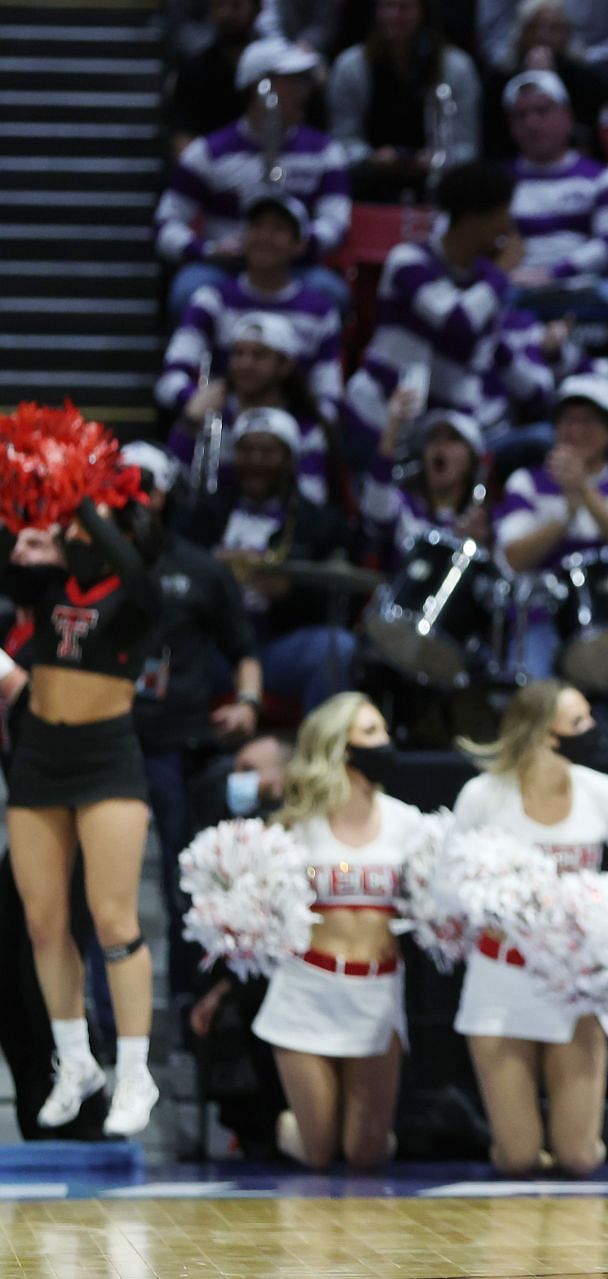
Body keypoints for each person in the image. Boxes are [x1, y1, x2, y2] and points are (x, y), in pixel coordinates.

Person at [451, 680, 608, 1176]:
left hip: (575, 983)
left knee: (579, 1157)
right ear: (545, 734)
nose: (593, 730)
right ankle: (511, 1149)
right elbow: (446, 889)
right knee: (520, 1158)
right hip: (502, 978)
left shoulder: (603, 793)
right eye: (579, 722)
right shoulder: (483, 795)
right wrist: (515, 897)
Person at [3, 491, 165, 1136]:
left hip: (107, 755)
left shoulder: (138, 595)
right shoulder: (44, 585)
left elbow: (138, 577)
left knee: (112, 916)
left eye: (81, 526)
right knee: (44, 923)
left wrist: (88, 501)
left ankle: (134, 1071)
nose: (71, 533)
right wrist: (28, 519)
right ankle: (76, 1063)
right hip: (40, 754)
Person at [118, 445, 264, 1011]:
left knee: (182, 881)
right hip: (106, 741)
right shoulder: (89, 561)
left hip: (177, 743)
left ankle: (184, 999)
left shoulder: (201, 569)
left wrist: (248, 701)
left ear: (166, 492)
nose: (133, 495)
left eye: (143, 484)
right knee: (105, 889)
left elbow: (243, 648)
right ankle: (99, 1016)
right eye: (122, 483)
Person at [250, 693, 422, 1169]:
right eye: (370, 733)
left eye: (383, 731)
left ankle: (337, 1129)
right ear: (339, 747)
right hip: (308, 988)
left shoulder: (409, 823)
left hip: (377, 991)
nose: (384, 742)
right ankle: (294, 1126)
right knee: (320, 1152)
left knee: (366, 1154)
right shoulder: (296, 825)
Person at [339, 162, 558, 471]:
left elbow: (495, 350)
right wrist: (500, 273)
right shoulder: (410, 262)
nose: (509, 227)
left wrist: (545, 387)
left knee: (542, 441)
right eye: (503, 214)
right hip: (382, 419)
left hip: (451, 432)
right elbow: (458, 322)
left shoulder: (485, 282)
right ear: (473, 221)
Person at [178, 408, 358, 716]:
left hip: (278, 647)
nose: (256, 462)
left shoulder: (320, 522)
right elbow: (175, 571)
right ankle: (181, 749)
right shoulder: (207, 513)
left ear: (289, 459)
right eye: (247, 451)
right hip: (219, 649)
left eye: (267, 452)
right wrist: (215, 575)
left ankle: (321, 752)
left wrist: (289, 592)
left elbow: (340, 599)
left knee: (337, 647)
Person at [157, 36, 351, 316]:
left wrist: (297, 244)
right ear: (260, 88)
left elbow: (337, 222)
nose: (305, 89)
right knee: (188, 292)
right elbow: (166, 223)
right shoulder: (209, 152)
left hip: (295, 268)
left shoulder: (325, 152)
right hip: (225, 268)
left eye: (305, 79)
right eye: (294, 80)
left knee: (332, 294)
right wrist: (208, 250)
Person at [495, 372, 608, 680]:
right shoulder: (526, 482)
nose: (576, 430)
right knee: (530, 673)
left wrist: (583, 489)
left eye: (590, 421)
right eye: (569, 420)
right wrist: (566, 515)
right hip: (541, 616)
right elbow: (514, 557)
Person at [158, 192, 344, 433]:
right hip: (223, 430)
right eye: (256, 227)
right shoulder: (211, 300)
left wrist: (286, 433)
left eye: (277, 229)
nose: (264, 237)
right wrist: (194, 401)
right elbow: (169, 379)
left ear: (300, 245)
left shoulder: (321, 311)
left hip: (291, 444)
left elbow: (330, 398)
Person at [502, 70, 608, 321]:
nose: (532, 123)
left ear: (567, 116)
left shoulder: (604, 179)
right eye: (521, 115)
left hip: (583, 282)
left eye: (542, 111)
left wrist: (554, 273)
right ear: (510, 127)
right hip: (514, 283)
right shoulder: (496, 184)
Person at [165, 311, 333, 508]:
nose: (245, 364)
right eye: (238, 353)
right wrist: (189, 422)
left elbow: (312, 507)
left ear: (285, 364)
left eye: (259, 355)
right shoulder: (211, 418)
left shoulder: (307, 430)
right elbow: (171, 487)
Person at [328, 0, 483, 202]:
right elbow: (342, 141)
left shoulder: (457, 68)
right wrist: (369, 158)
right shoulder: (350, 67)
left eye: (404, 8)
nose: (393, 16)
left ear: (423, 14)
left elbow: (467, 147)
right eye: (387, 7)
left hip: (438, 184)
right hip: (369, 183)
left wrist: (437, 160)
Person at [361, 405, 494, 565]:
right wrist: (393, 427)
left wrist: (476, 546)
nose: (439, 446)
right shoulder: (403, 508)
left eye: (452, 439)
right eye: (433, 438)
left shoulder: (482, 524)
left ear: (472, 459)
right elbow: (375, 501)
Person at [479, 0, 608, 160]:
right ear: (519, 33)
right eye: (533, 27)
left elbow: (587, 138)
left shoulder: (586, 80)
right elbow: (494, 142)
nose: (542, 35)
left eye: (553, 28)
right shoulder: (499, 80)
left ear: (566, 34)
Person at [166, 0, 261, 153]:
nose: (226, 14)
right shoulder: (192, 71)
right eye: (219, 5)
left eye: (236, 5)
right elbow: (183, 139)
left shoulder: (273, 70)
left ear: (256, 8)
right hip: (210, 168)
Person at [477, 0, 608, 77]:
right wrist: (517, 60)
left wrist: (578, 59)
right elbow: (493, 36)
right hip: (514, 65)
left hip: (590, 67)